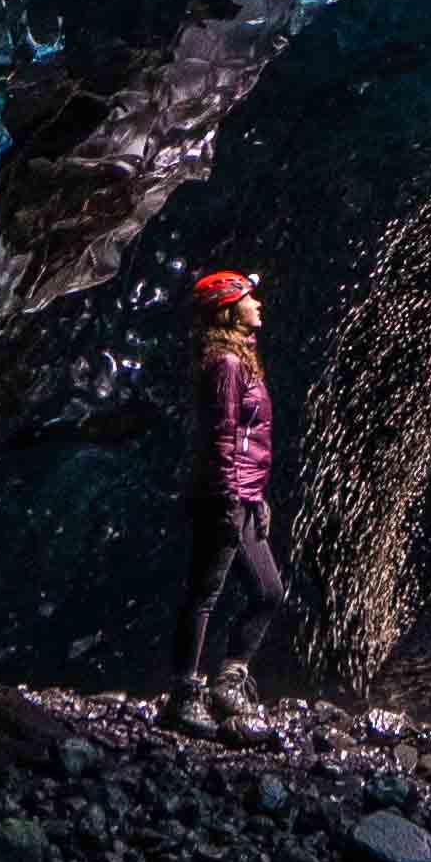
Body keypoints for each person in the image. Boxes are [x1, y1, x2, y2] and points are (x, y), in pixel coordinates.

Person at [170, 268, 297, 733]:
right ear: (229, 308)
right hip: (222, 496)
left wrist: (255, 498)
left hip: (241, 495)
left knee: (268, 592)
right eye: (250, 297)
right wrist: (229, 499)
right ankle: (184, 695)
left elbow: (247, 440)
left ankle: (229, 682)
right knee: (204, 595)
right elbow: (222, 437)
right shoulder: (225, 364)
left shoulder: (240, 358)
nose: (258, 303)